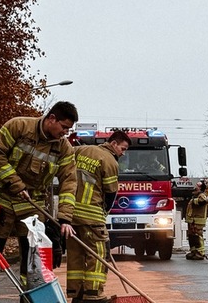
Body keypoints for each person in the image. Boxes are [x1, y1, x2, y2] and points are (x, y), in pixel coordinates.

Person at [0, 101, 79, 303]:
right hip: (0, 200)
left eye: (68, 129)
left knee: (33, 265)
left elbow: (69, 182)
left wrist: (65, 218)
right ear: (51, 118)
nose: (65, 133)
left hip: (32, 208)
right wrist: (16, 184)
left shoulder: (64, 149)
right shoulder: (18, 126)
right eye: (63, 127)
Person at [66, 130, 131, 303]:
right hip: (92, 215)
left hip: (70, 214)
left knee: (75, 254)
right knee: (99, 254)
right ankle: (94, 295)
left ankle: (76, 293)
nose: (123, 153)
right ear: (114, 144)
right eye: (123, 149)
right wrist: (105, 212)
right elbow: (110, 193)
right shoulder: (109, 160)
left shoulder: (80, 151)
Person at [185, 180, 208, 260]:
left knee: (197, 236)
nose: (195, 187)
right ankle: (194, 251)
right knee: (191, 237)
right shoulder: (195, 196)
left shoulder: (201, 195)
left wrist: (194, 201)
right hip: (192, 221)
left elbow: (202, 202)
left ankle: (200, 253)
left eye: (197, 186)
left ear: (200, 188)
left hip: (197, 221)